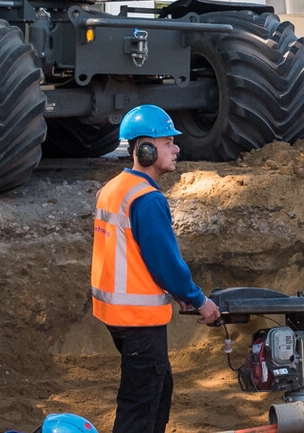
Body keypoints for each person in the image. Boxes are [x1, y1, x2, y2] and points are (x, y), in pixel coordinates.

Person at [91, 105, 220, 433]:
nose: (177, 148)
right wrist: (197, 299)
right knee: (140, 408)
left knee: (158, 391)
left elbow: (132, 254)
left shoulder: (115, 188)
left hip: (117, 316)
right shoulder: (147, 199)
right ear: (144, 150)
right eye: (167, 142)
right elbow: (165, 262)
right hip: (138, 321)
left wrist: (174, 293)